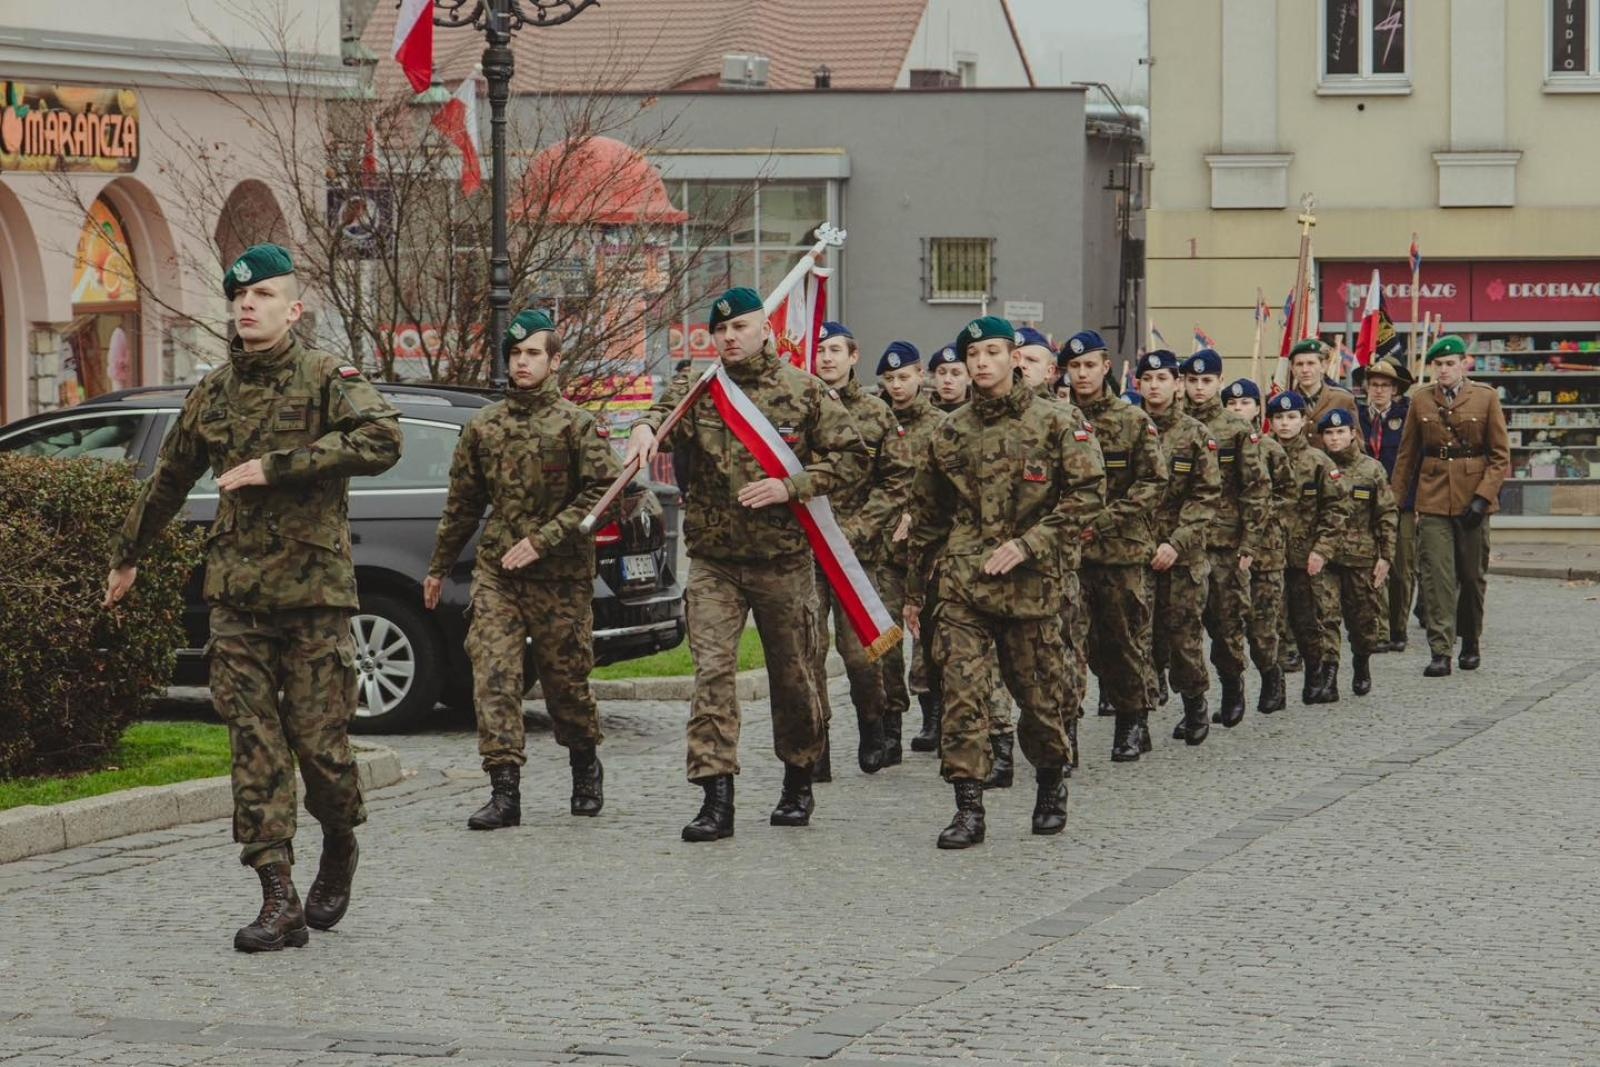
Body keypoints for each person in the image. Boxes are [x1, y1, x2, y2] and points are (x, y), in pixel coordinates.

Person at [104, 244, 402, 952]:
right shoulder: (212, 392)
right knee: (254, 747)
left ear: (292, 308)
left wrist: (278, 467)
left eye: (263, 294)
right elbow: (169, 479)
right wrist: (127, 555)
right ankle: (278, 896)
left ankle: (339, 837)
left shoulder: (327, 376)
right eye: (240, 296)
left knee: (322, 749)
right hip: (237, 598)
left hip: (314, 599)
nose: (248, 305)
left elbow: (382, 436)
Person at [626, 287, 866, 841]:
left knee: (794, 676)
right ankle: (715, 795)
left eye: (740, 328)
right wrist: (643, 426)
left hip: (782, 562)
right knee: (712, 674)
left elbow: (851, 459)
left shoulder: (803, 392)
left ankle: (798, 779)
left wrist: (791, 485)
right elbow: (662, 413)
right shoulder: (703, 389)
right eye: (721, 331)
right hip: (713, 563)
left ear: (765, 330)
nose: (729, 338)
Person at [904, 316, 1104, 848]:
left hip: (1033, 586)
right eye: (974, 355)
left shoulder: (1059, 421)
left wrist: (1028, 544)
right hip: (963, 585)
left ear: (1015, 357)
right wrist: (912, 593)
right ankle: (968, 806)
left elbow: (1087, 496)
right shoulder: (949, 432)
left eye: (993, 351)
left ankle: (1049, 783)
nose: (982, 363)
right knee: (962, 696)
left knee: (1041, 699)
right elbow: (927, 515)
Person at [425, 309, 619, 830]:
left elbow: (607, 493)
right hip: (498, 574)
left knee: (566, 683)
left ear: (554, 361)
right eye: (515, 354)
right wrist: (439, 565)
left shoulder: (577, 426)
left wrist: (544, 540)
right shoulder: (485, 427)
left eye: (533, 353)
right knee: (493, 675)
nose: (522, 363)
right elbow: (462, 503)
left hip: (560, 577)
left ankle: (584, 762)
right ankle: (504, 789)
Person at [810, 322, 913, 773]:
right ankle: (814, 744)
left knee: (861, 653)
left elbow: (898, 480)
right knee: (805, 652)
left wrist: (857, 529)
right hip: (806, 551)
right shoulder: (799, 408)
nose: (826, 358)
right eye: (819, 350)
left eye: (834, 350)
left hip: (858, 552)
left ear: (853, 356)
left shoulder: (876, 413)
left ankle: (874, 723)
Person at [1062, 330, 1168, 762]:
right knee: (1067, 643)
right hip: (1070, 554)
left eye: (1090, 365)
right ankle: (1063, 730)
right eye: (1075, 366)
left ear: (1106, 367)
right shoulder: (1058, 419)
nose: (1082, 374)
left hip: (1121, 552)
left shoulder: (1131, 421)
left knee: (1123, 642)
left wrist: (1106, 520)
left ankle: (1131, 719)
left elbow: (1155, 481)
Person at [1388, 335, 1511, 676]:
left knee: (1471, 577)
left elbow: (1500, 457)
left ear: (1463, 364)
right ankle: (1440, 649)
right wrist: (1394, 504)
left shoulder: (1485, 398)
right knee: (1437, 578)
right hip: (1434, 497)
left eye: (1449, 364)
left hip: (1474, 498)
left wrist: (1483, 498)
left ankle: (1470, 639)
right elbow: (1407, 456)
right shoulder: (1421, 401)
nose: (1443, 370)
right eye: (1438, 365)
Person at [1180, 349, 1270, 727]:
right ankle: (1193, 702)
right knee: (1183, 627)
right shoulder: (1175, 426)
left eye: (1207, 381)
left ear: (1219, 382)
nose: (1199, 388)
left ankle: (1232, 685)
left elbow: (1257, 489)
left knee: (1226, 623)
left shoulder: (1236, 429)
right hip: (1185, 542)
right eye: (1193, 381)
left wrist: (1250, 544)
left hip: (1225, 543)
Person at [1139, 351, 1221, 744]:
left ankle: (1195, 705)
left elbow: (1206, 496)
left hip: (1182, 554)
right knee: (1136, 637)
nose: (1154, 384)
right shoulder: (1127, 428)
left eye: (1162, 377)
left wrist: (1177, 541)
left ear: (1177, 383)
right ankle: (1136, 720)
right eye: (1147, 378)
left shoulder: (1194, 434)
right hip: (1135, 550)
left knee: (1183, 635)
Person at [875, 341, 944, 758]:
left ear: (921, 376)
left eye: (904, 377)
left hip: (928, 551)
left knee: (929, 638)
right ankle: (890, 723)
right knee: (883, 641)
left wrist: (917, 517)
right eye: (890, 379)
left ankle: (932, 713)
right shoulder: (872, 421)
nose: (897, 385)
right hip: (883, 551)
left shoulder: (940, 425)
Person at [1265, 392, 1353, 704]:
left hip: (1307, 558)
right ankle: (1274, 687)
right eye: (1278, 418)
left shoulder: (1318, 462)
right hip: (1269, 556)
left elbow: (1338, 508)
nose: (1285, 424)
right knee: (1270, 622)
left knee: (1310, 621)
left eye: (1291, 418)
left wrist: (1322, 549)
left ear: (1304, 421)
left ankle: (1318, 676)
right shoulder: (1262, 456)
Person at [1223, 379, 1293, 714]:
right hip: (1227, 549)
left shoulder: (1270, 449)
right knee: (1228, 625)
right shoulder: (1214, 445)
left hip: (1265, 552)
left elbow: (1287, 494)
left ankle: (1271, 678)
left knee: (1262, 623)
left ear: (1257, 409)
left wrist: (1258, 513)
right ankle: (1233, 693)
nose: (1238, 409)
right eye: (1232, 404)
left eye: (1245, 404)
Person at [1319, 408, 1398, 697]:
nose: (1335, 438)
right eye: (1329, 433)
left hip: (1361, 558)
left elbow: (1386, 515)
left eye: (1341, 432)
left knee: (1363, 620)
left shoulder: (1371, 469)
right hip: (1326, 558)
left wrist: (1386, 556)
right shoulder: (1319, 466)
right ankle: (1329, 676)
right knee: (1325, 615)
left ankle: (1362, 663)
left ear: (1353, 433)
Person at [1357, 356, 1417, 652]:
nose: (1378, 390)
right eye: (1374, 385)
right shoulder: (1357, 417)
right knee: (1370, 565)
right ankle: (1377, 628)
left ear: (1395, 389)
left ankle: (1398, 628)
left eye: (1385, 385)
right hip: (1365, 502)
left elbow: (1414, 461)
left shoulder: (1407, 416)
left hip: (1400, 502)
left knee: (1401, 567)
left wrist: (1413, 502)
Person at [1288, 339, 1361, 452]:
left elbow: (1357, 444)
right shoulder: (1286, 401)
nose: (1305, 370)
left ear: (1323, 366)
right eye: (1299, 364)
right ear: (1292, 369)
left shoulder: (1343, 399)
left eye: (1311, 363)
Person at [927, 343, 971, 412]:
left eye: (956, 374)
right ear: (934, 376)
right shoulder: (919, 414)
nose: (947, 380)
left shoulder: (983, 415)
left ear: (970, 377)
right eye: (942, 373)